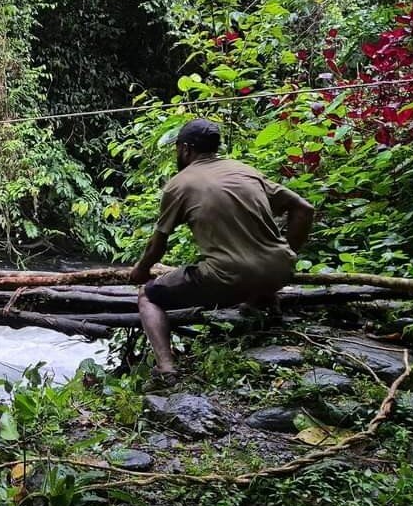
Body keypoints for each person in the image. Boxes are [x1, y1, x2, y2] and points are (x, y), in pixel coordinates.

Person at [130, 118, 315, 385]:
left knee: (148, 297)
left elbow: (158, 244)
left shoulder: (180, 183)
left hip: (228, 277)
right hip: (279, 271)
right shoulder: (246, 171)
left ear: (185, 149)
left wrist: (141, 270)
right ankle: (261, 297)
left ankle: (166, 368)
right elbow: (304, 209)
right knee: (246, 275)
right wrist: (286, 254)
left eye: (177, 149)